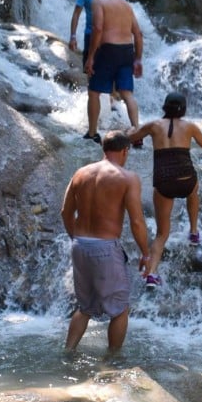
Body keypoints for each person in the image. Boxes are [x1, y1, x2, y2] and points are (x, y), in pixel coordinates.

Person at [61, 130, 152, 351]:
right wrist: (145, 253)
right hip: (105, 248)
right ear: (125, 151)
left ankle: (68, 351)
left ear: (104, 149)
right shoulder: (127, 178)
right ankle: (111, 361)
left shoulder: (81, 173)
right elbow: (137, 222)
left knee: (85, 308)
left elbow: (65, 212)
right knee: (120, 309)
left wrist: (77, 239)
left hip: (80, 245)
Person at [128, 92, 202, 287]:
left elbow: (131, 138)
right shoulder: (190, 127)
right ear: (184, 108)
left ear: (164, 107)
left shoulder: (153, 126)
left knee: (162, 234)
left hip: (164, 183)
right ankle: (194, 231)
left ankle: (152, 275)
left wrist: (130, 131)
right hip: (186, 178)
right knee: (193, 190)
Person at [83, 0, 143, 143]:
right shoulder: (125, 4)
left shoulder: (99, 3)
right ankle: (136, 131)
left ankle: (92, 132)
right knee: (126, 93)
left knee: (94, 92)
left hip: (108, 50)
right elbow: (138, 34)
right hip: (127, 51)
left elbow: (98, 28)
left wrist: (91, 57)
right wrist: (138, 58)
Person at [69, 0, 125, 67]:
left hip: (111, 36)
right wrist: (73, 36)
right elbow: (76, 14)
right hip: (91, 35)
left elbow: (125, 13)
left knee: (111, 71)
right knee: (90, 70)